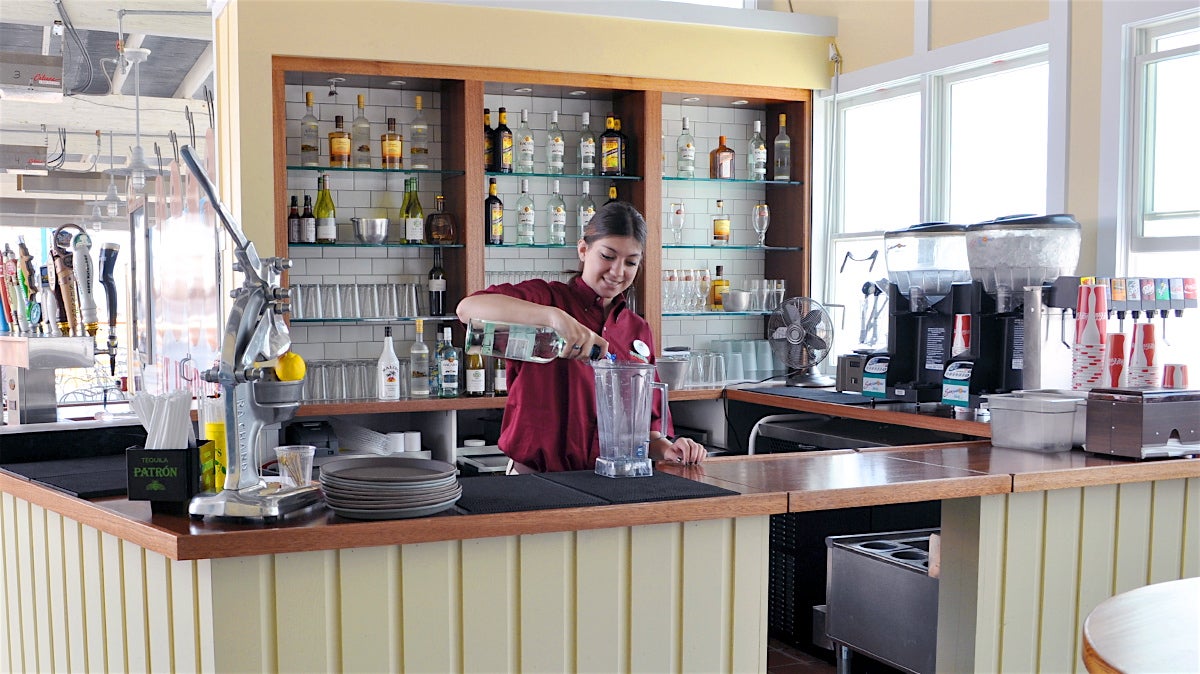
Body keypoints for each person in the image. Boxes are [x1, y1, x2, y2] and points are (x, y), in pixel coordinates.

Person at [456, 201, 707, 473]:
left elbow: (648, 431)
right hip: (534, 479)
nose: (618, 272)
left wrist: (669, 448)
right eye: (608, 256)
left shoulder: (638, 330)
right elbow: (467, 309)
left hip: (609, 481)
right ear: (584, 250)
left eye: (631, 262)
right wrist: (553, 317)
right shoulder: (546, 299)